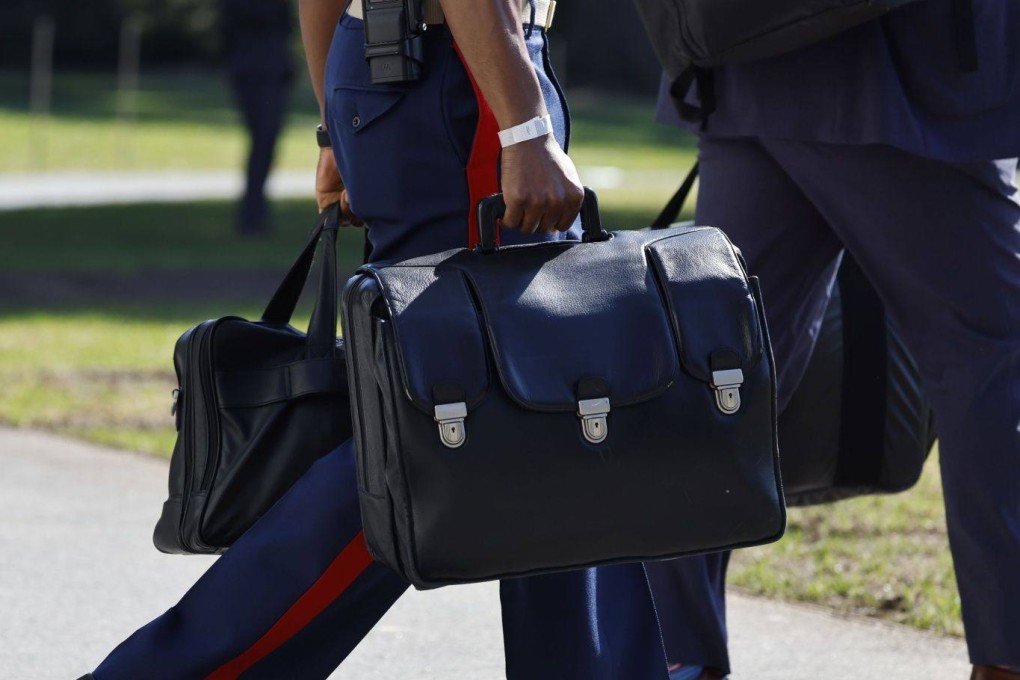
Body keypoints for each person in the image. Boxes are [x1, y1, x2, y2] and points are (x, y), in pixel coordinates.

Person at [78, 1, 678, 678]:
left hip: (408, 70)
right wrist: (524, 128)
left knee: (532, 418)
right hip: (467, 78)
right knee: (461, 428)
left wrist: (335, 127)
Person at [649, 2, 1020, 678]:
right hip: (895, 75)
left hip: (745, 61)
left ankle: (670, 655)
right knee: (995, 358)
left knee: (722, 382)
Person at [221, 0, 295, 236]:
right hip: (253, 67)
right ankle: (252, 214)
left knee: (266, 140)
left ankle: (255, 211)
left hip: (270, 67)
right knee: (263, 139)